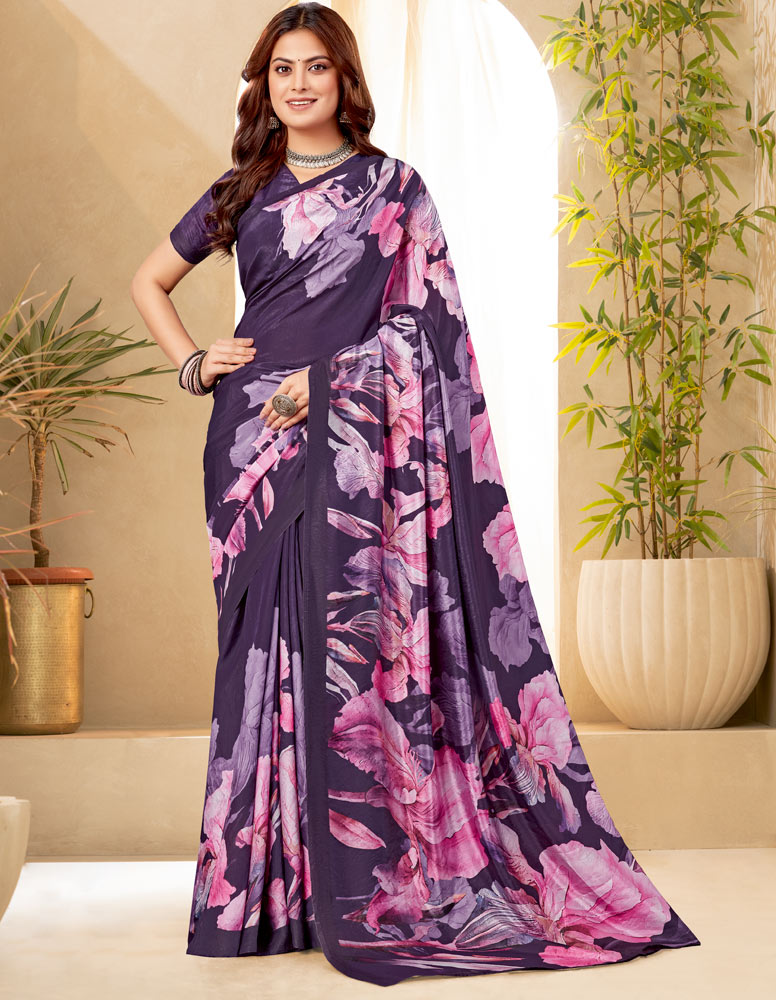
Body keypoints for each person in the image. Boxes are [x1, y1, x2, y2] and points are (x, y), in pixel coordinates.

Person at [130, 2, 700, 988]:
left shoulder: (394, 189)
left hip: (349, 445)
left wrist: (330, 381)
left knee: (346, 656)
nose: (297, 84)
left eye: (314, 66)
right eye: (280, 69)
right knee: (260, 655)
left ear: (342, 78)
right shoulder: (242, 188)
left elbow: (426, 326)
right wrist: (194, 363)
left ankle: (361, 883)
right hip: (251, 448)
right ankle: (265, 892)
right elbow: (150, 280)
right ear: (263, 84)